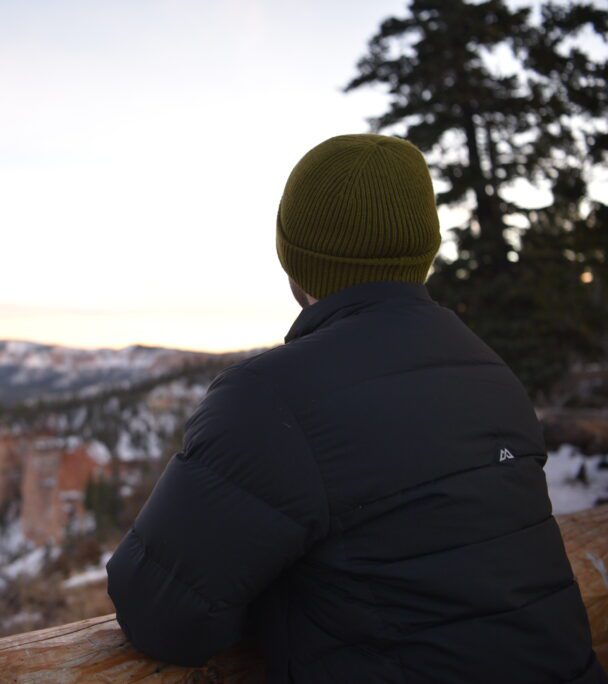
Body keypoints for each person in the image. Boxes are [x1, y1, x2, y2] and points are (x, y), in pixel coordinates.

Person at [105, 133, 606, 683]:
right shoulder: (490, 373)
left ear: (294, 260)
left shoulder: (270, 399)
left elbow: (161, 615)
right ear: (425, 250)